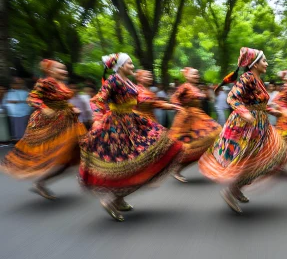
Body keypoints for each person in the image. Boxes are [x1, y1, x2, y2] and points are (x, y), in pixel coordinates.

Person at [79, 53, 184, 222]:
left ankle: (118, 199)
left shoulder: (129, 82)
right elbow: (97, 101)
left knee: (152, 156)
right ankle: (110, 200)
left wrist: (168, 105)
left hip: (132, 121)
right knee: (130, 163)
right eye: (129, 63)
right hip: (117, 125)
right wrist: (98, 120)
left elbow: (144, 101)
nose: (133, 66)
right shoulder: (113, 80)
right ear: (120, 66)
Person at [199, 47, 287, 214]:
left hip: (259, 125)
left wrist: (274, 111)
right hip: (245, 127)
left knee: (267, 159)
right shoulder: (247, 77)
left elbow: (258, 104)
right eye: (264, 60)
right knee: (250, 160)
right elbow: (232, 97)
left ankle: (235, 188)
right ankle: (230, 191)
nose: (267, 63)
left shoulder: (257, 79)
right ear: (255, 64)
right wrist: (245, 114)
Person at [1, 60, 86, 199]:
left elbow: (62, 102)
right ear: (51, 71)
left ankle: (43, 182)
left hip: (67, 121)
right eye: (60, 69)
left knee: (74, 154)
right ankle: (42, 180)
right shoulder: (45, 82)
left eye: (65, 69)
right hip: (49, 122)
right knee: (56, 154)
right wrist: (44, 108)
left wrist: (72, 108)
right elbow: (32, 98)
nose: (64, 71)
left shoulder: (62, 84)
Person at [168, 67, 222, 182]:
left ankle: (179, 169)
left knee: (213, 137)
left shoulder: (195, 88)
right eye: (193, 74)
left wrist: (208, 94)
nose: (196, 76)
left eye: (197, 74)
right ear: (187, 76)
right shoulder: (185, 87)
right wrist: (179, 108)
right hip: (188, 119)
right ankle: (176, 168)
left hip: (199, 116)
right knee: (191, 147)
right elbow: (174, 99)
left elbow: (203, 98)